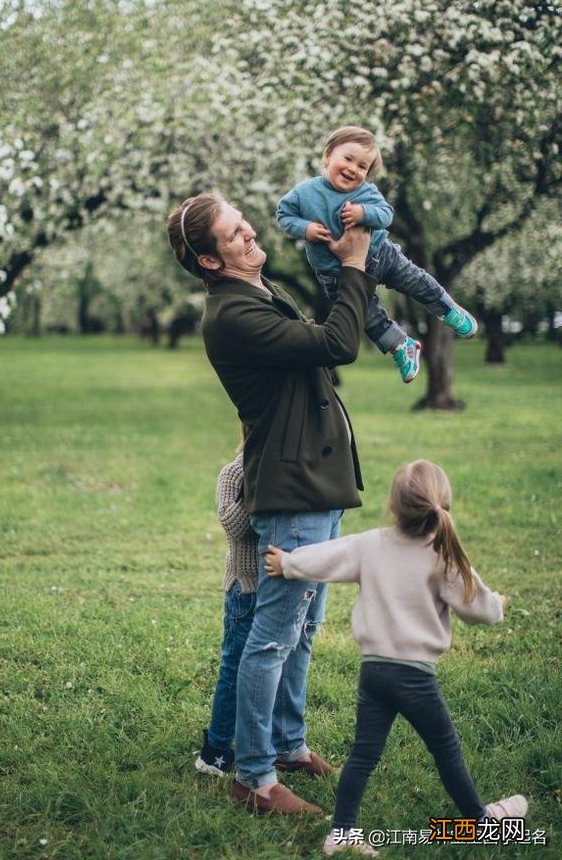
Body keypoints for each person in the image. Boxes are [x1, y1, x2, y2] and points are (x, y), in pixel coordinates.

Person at [167, 191, 376, 815]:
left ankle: (287, 745)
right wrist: (357, 266)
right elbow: (337, 343)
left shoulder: (256, 294)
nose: (250, 231)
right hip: (293, 492)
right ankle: (254, 778)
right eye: (234, 233)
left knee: (304, 629)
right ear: (210, 261)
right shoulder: (232, 314)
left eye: (242, 222)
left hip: (316, 483)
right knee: (272, 638)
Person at [265, 459, 528, 857]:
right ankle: (480, 822)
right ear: (443, 508)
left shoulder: (371, 544)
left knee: (363, 755)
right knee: (446, 750)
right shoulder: (443, 555)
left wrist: (287, 563)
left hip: (374, 673)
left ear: (393, 506)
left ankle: (342, 833)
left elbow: (326, 556)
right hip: (415, 678)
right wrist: (499, 607)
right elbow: (480, 609)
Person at [277, 125, 478, 384]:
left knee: (415, 280)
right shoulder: (304, 193)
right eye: (347, 159)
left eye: (362, 167)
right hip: (336, 273)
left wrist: (363, 213)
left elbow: (386, 214)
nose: (353, 169)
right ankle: (401, 346)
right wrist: (305, 228)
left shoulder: (365, 193)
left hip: (380, 255)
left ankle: (447, 309)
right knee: (366, 317)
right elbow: (284, 215)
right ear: (327, 156)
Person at [195, 430, 258, 777]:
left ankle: (267, 743)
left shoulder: (287, 471)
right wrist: (258, 482)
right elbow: (235, 526)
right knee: (235, 668)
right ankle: (217, 750)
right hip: (245, 586)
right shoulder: (234, 472)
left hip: (278, 586)